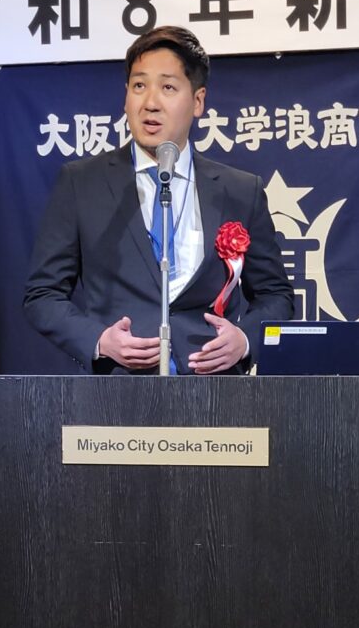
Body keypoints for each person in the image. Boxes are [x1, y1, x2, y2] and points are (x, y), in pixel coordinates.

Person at [24, 26, 294, 375]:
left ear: (198, 101)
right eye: (139, 86)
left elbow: (275, 294)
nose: (150, 103)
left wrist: (244, 340)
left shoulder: (240, 190)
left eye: (167, 87)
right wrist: (99, 341)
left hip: (214, 389)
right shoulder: (81, 183)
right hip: (115, 391)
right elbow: (42, 294)